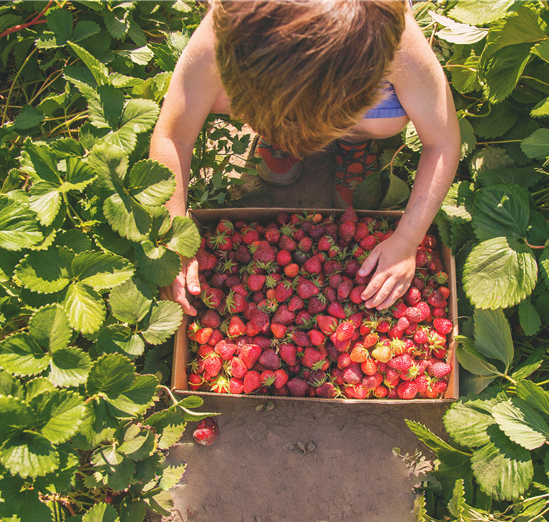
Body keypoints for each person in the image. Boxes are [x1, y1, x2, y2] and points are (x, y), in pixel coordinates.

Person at [152, 0, 461, 316]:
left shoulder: (390, 38)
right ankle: (280, 133)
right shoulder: (231, 27)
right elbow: (172, 136)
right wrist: (174, 238)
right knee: (201, 93)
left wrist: (409, 239)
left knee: (384, 119)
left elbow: (442, 142)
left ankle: (354, 138)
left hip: (357, 64)